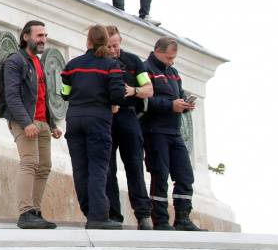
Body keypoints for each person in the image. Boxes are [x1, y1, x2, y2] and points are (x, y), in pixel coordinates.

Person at [59, 23, 130, 229]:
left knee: (80, 168)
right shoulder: (110, 66)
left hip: (74, 119)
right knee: (99, 168)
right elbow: (117, 94)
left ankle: (89, 211)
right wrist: (112, 102)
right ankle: (98, 216)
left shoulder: (73, 65)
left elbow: (64, 93)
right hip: (98, 120)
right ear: (106, 43)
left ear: (88, 41)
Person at [2, 19, 63, 229]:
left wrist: (52, 123)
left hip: (42, 122)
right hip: (25, 122)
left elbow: (42, 95)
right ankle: (25, 212)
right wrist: (26, 122)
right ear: (26, 37)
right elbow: (12, 96)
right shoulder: (15, 61)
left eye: (45, 36)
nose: (43, 40)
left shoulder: (37, 61)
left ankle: (36, 212)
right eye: (39, 36)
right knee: (29, 163)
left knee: (44, 167)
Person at [141, 36, 203, 231]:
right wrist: (170, 105)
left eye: (173, 58)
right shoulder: (145, 70)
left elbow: (179, 95)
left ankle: (183, 217)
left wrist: (185, 104)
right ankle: (160, 220)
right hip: (155, 131)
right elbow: (143, 101)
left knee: (185, 175)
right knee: (160, 175)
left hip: (174, 132)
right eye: (168, 57)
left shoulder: (174, 73)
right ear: (157, 51)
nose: (171, 61)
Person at [105, 26, 156, 230]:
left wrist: (133, 90)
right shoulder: (99, 61)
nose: (112, 50)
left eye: (115, 45)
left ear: (121, 41)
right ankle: (113, 215)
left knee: (134, 166)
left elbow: (149, 90)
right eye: (108, 46)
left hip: (128, 116)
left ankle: (143, 215)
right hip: (106, 118)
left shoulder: (133, 61)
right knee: (108, 169)